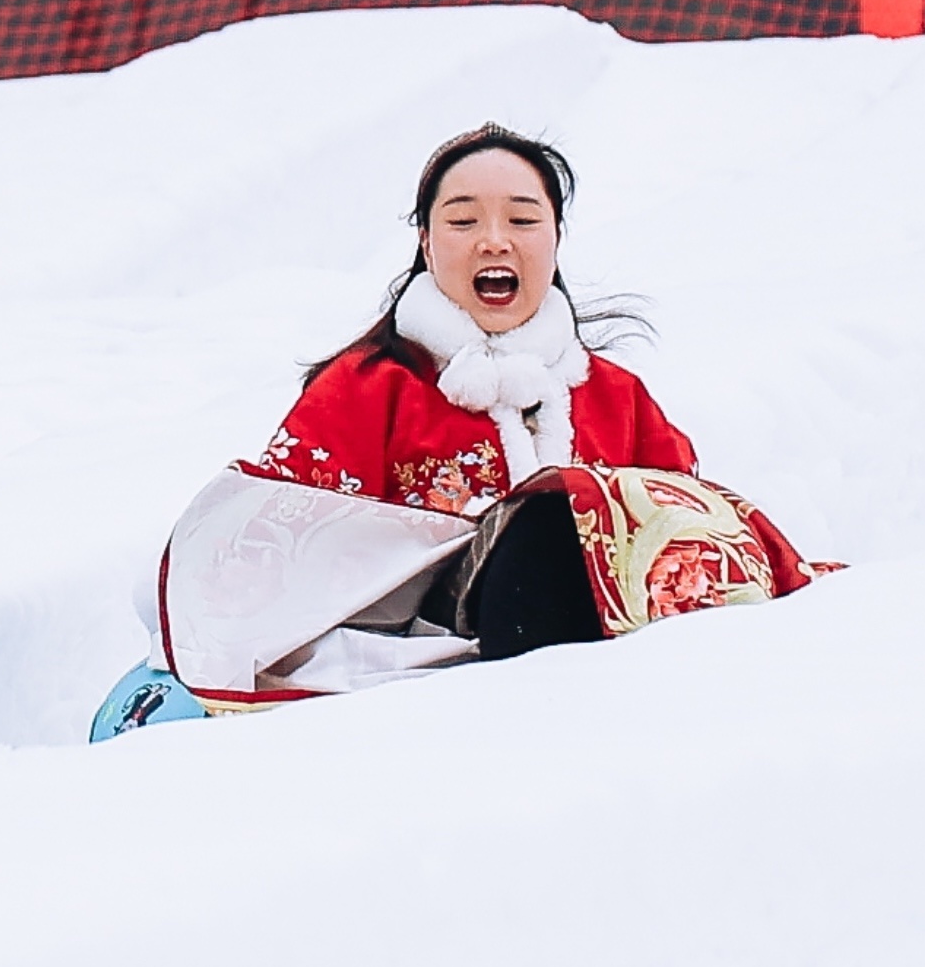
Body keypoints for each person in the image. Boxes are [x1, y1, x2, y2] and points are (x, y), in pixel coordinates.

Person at [111, 122, 813, 726]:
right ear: (425, 240)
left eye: (522, 219)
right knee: (548, 527)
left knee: (579, 517)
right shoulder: (367, 388)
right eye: (464, 220)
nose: (494, 241)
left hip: (605, 667)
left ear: (557, 238)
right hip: (409, 668)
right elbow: (277, 553)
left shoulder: (615, 395)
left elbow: (680, 537)